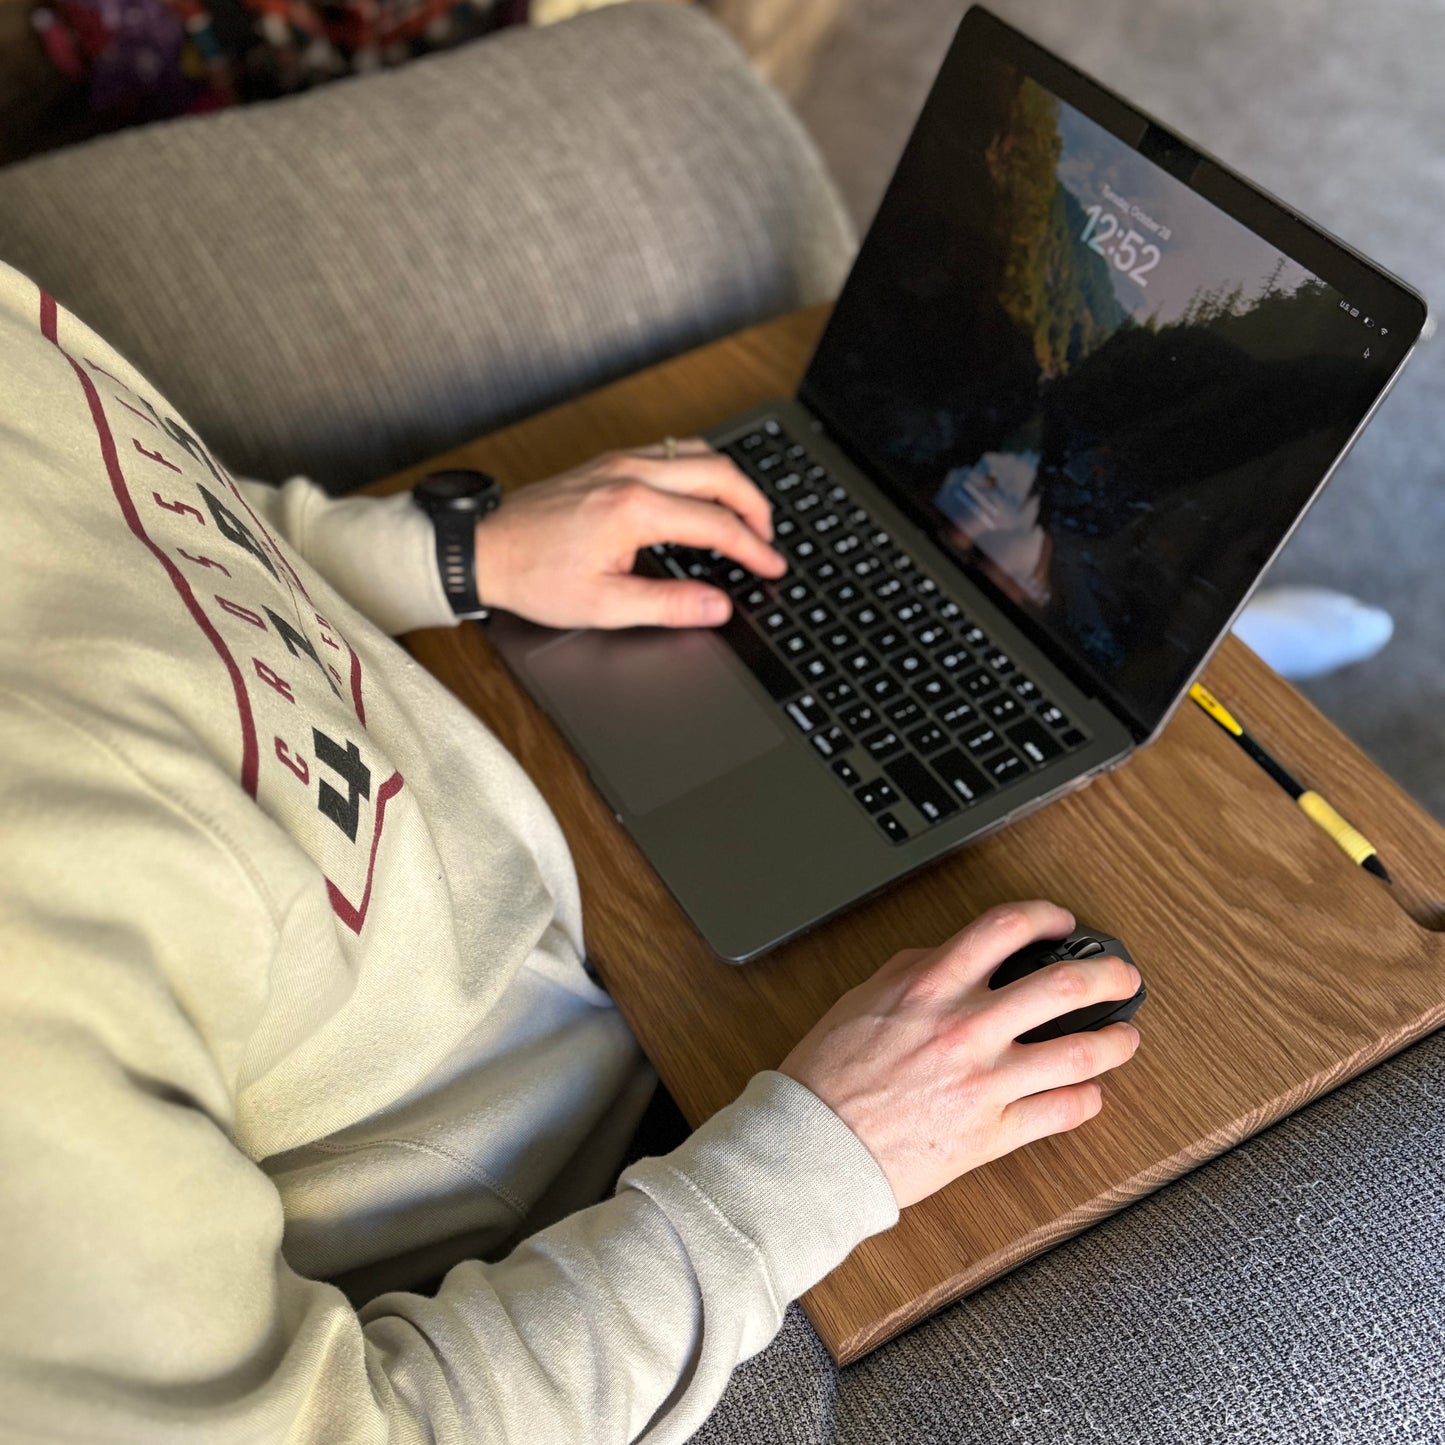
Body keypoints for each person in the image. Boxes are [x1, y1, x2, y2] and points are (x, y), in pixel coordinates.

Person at [0, 260, 1142, 1442]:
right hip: (620, 1175)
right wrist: (816, 1157)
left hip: (534, 812)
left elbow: (143, 505)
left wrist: (453, 553)